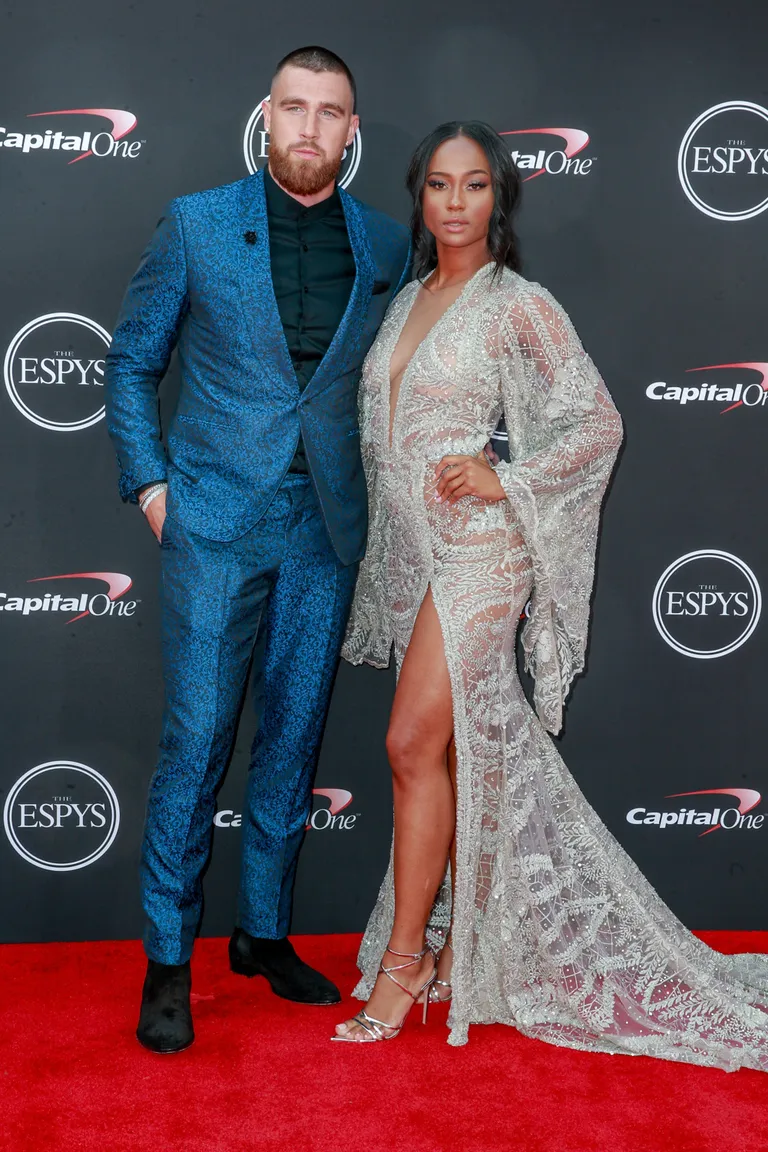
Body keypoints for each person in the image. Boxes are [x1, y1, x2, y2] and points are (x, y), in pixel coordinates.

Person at [334, 121, 768, 1071]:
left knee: (410, 741)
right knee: (444, 753)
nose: (455, 202)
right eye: (440, 185)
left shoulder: (517, 304)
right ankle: (452, 950)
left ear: (501, 199)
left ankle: (405, 966)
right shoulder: (407, 297)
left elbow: (598, 419)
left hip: (484, 554)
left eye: (475, 184)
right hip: (414, 555)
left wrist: (508, 479)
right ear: (420, 197)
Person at [105, 46, 410, 1054]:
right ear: (266, 116)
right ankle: (166, 958)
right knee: (197, 742)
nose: (311, 129)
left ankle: (264, 934)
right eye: (295, 108)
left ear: (351, 133)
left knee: (291, 736)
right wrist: (153, 488)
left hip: (323, 530)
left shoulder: (381, 245)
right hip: (214, 525)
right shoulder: (197, 223)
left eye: (331, 113)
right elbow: (132, 362)